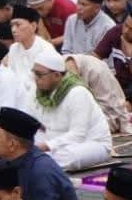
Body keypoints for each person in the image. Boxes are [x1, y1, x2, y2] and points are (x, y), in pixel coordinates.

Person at [28, 40, 111, 171]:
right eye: (34, 73)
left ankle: (38, 163)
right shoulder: (39, 91)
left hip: (90, 143)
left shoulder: (77, 92)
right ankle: (38, 161)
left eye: (39, 75)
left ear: (56, 75)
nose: (35, 78)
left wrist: (47, 146)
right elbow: (34, 121)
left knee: (69, 156)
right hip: (55, 139)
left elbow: (78, 134)